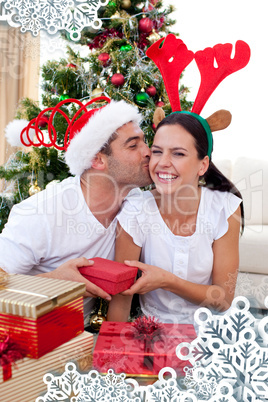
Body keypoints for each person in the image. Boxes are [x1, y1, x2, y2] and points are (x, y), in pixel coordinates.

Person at [0, 99, 152, 320]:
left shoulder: (136, 204)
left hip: (78, 338)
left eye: (145, 141)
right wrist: (53, 281)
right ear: (97, 160)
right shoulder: (42, 212)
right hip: (21, 334)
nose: (149, 152)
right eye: (133, 145)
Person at [107, 111, 244, 325]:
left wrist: (168, 281)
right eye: (157, 151)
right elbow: (122, 297)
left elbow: (224, 300)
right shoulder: (136, 208)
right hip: (152, 331)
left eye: (178, 154)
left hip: (210, 333)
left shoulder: (224, 209)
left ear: (203, 165)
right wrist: (112, 353)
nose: (163, 162)